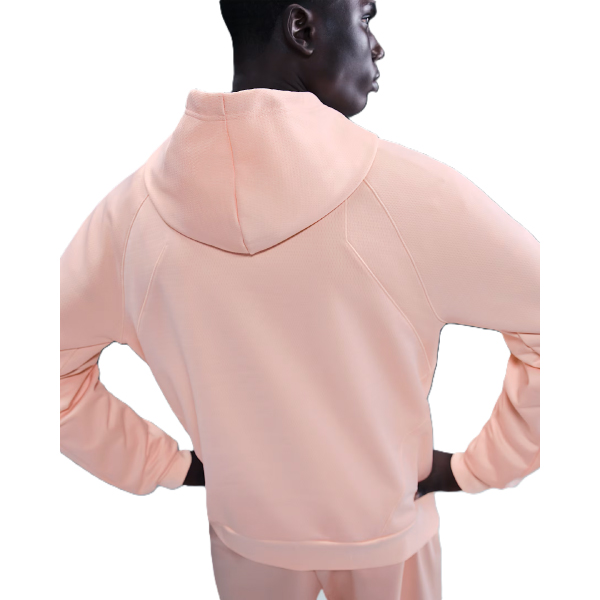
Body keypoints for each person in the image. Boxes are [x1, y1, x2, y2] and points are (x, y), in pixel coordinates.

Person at [59, 0, 540, 598]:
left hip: (246, 540)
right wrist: (481, 467)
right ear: (302, 29)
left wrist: (170, 465)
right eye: (365, 19)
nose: (377, 46)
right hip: (387, 539)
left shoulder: (130, 221)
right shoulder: (410, 194)